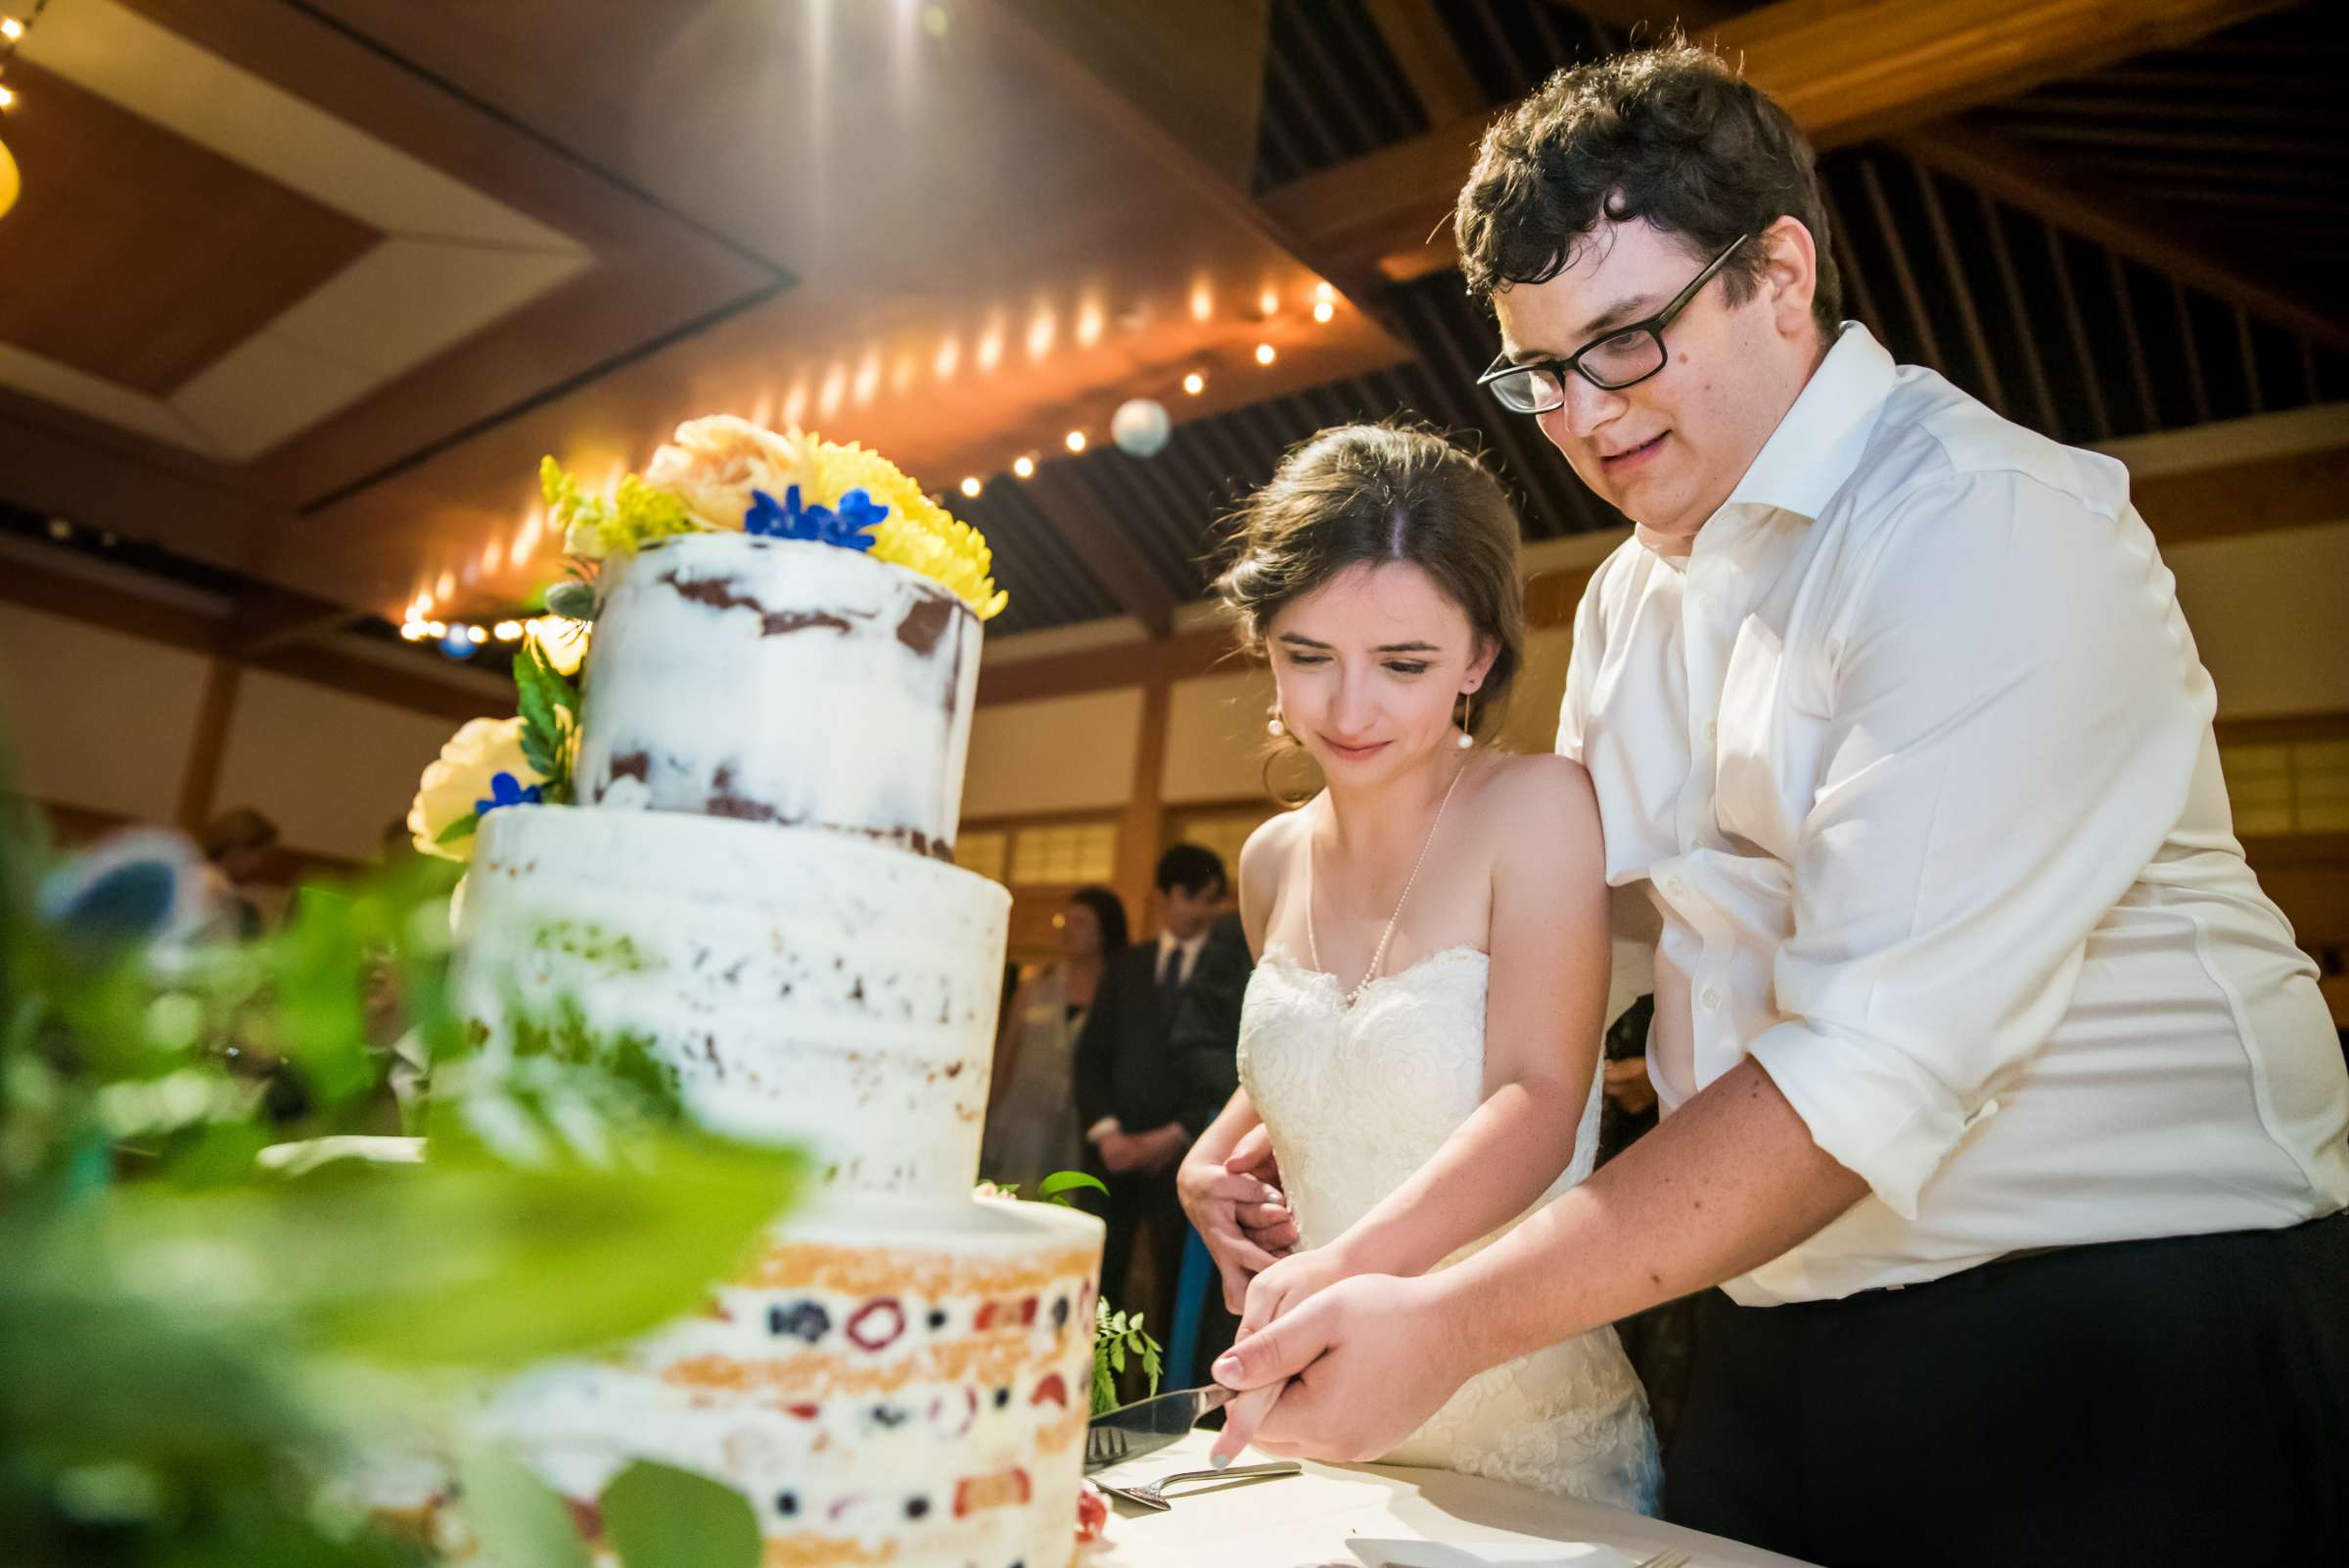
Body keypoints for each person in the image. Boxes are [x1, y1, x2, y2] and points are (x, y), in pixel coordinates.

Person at [1208, 39, 2349, 1567]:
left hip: (2118, 1317)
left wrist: (1451, 1317)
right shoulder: (1626, 597)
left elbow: (1869, 1062)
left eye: (1624, 339)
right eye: (1540, 370)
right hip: (1767, 1319)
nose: (1584, 415)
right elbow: (1563, 938)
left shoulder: (1977, 525)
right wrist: (1301, 1089)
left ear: (1782, 275)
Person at [1178, 423, 1658, 1508]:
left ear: (1480, 658)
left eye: (1403, 665)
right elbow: (1326, 1059)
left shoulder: (1536, 810)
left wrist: (1346, 1273)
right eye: (1310, 657)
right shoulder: (1270, 861)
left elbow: (1537, 1098)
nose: (1350, 712)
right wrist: (1209, 1157)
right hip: (1324, 1417)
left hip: (1527, 1431)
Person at [1075, 845, 1227, 1336]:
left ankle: (1160, 1401)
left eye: (1210, 901)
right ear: (1164, 898)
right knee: (1101, 1280)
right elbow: (1091, 1055)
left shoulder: (1226, 975)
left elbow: (1228, 1066)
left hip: (1185, 1155)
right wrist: (1107, 1134)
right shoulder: (1126, 966)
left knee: (1172, 1289)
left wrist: (1177, 1134)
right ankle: (1097, 1396)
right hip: (1111, 1152)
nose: (1201, 911)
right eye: (1191, 898)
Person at [980, 885, 1128, 1193]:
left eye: (1081, 922)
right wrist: (987, 1112)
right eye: (1066, 921)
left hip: (1084, 1123)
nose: (1068, 931)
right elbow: (1007, 1055)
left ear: (1104, 930)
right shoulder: (1037, 984)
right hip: (1024, 1118)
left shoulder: (1116, 992)